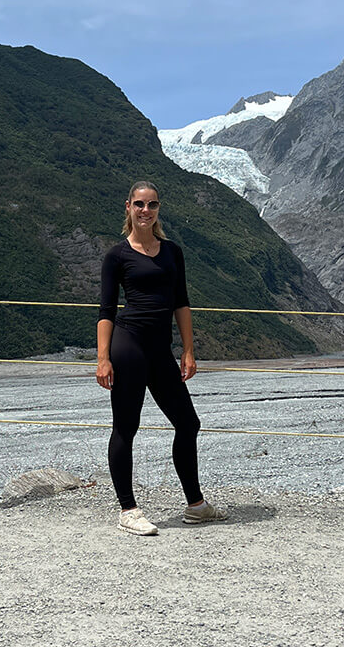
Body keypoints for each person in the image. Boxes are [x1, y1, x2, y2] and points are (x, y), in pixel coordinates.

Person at [96, 180, 227, 535]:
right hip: (128, 345)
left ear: (158, 210)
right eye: (139, 204)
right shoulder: (117, 256)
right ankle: (128, 509)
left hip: (160, 350)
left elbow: (181, 302)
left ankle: (196, 505)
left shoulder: (172, 252)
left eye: (152, 205)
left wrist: (188, 350)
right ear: (128, 207)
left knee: (188, 423)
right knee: (126, 426)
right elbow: (106, 311)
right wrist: (103, 358)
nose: (145, 211)